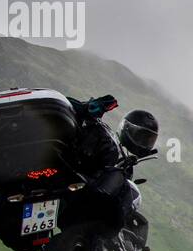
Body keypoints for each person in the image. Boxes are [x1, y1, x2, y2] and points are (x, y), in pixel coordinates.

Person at [68, 95, 159, 233]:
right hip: (86, 187)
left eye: (148, 139)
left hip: (76, 186)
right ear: (126, 128)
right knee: (127, 190)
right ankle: (108, 227)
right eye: (140, 136)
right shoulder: (106, 140)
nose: (143, 142)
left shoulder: (102, 139)